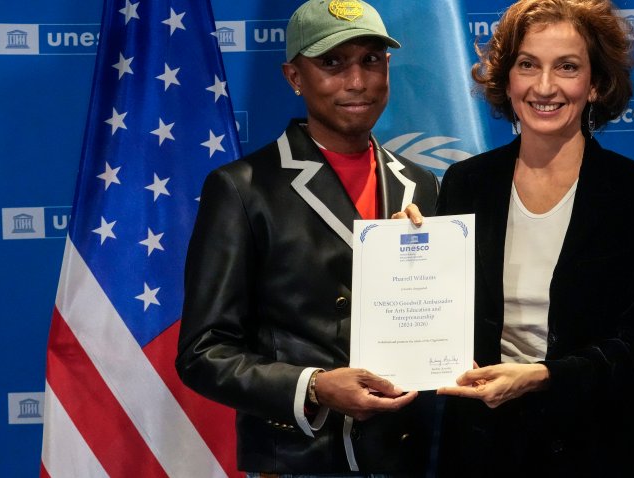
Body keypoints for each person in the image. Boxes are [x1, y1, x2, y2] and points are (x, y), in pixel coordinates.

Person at [175, 0, 439, 475]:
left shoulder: (420, 184)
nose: (357, 82)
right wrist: (314, 386)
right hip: (301, 458)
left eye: (371, 60)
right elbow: (202, 352)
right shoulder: (243, 187)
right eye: (331, 63)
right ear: (294, 77)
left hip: (404, 454)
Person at [434, 0, 634, 476]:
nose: (545, 87)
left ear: (596, 84)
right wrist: (408, 252)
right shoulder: (465, 183)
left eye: (567, 67)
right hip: (485, 448)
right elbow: (440, 315)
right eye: (528, 65)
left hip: (603, 448)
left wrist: (542, 378)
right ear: (507, 79)